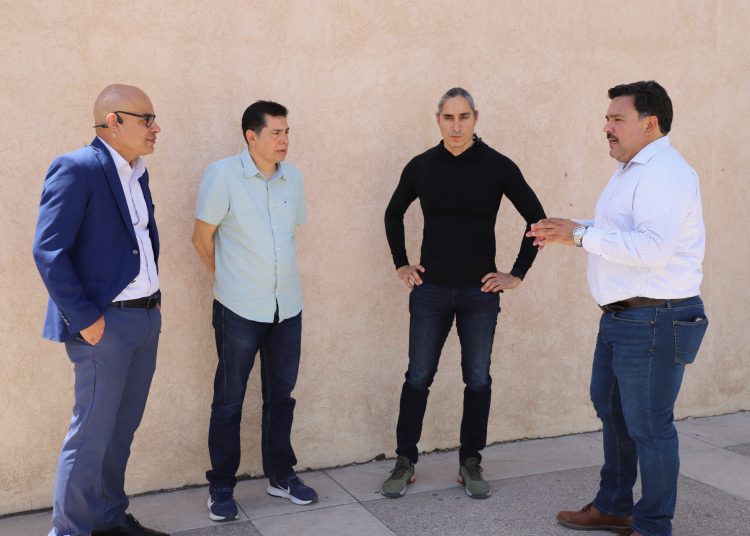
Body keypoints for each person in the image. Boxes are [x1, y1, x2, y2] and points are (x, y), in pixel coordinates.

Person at [527, 81, 708, 536]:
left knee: (649, 425)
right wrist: (573, 227)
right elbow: (621, 230)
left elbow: (652, 248)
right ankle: (614, 507)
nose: (606, 127)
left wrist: (580, 236)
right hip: (625, 318)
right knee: (613, 411)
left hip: (656, 318)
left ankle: (652, 525)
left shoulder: (665, 172)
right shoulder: (631, 170)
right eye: (607, 119)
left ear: (650, 124)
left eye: (617, 119)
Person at [382, 87, 546, 499]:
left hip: (479, 293)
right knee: (418, 376)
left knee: (477, 378)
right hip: (430, 292)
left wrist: (516, 274)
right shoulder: (422, 166)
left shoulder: (497, 166)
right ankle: (405, 460)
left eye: (464, 117)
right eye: (448, 118)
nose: (456, 126)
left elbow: (536, 219)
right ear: (438, 119)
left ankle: (470, 461)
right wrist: (401, 263)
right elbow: (393, 212)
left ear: (476, 118)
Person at [32, 84, 167, 536]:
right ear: (114, 121)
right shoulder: (77, 167)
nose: (155, 128)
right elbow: (49, 251)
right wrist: (86, 320)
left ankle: (109, 519)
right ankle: (69, 531)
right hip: (104, 325)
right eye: (147, 119)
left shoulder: (137, 173)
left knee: (120, 431)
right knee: (90, 436)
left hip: (145, 318)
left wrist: (153, 306)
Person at [192, 100, 316, 522]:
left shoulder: (293, 178)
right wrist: (228, 278)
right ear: (251, 136)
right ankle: (221, 486)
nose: (284, 140)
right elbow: (201, 238)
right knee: (229, 400)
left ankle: (280, 475)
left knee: (281, 397)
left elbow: (289, 235)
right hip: (239, 308)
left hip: (288, 307)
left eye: (287, 132)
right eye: (275, 133)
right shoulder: (222, 175)